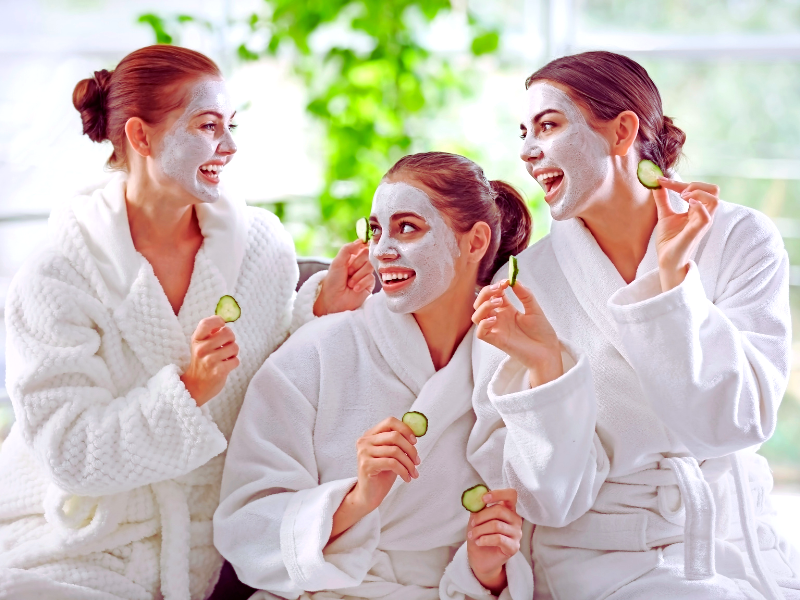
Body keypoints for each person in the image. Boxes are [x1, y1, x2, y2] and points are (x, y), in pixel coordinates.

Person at [0, 45, 373, 600]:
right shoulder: (57, 274)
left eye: (231, 125)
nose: (229, 145)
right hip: (72, 541)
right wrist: (190, 389)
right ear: (141, 137)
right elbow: (70, 450)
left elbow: (270, 380)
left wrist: (321, 311)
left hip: (194, 549)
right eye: (207, 125)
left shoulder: (260, 247)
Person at [469, 50, 800, 599]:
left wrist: (670, 282)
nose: (527, 152)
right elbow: (541, 495)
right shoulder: (523, 284)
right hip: (600, 556)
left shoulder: (741, 239)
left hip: (729, 539)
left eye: (548, 125)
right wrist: (547, 371)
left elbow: (737, 426)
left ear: (622, 131)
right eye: (523, 131)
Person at [213, 152, 536, 600]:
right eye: (375, 230)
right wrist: (357, 500)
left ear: (475, 241)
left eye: (407, 228)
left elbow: (533, 529)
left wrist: (488, 573)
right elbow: (245, 528)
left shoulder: (511, 373)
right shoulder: (317, 351)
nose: (382, 249)